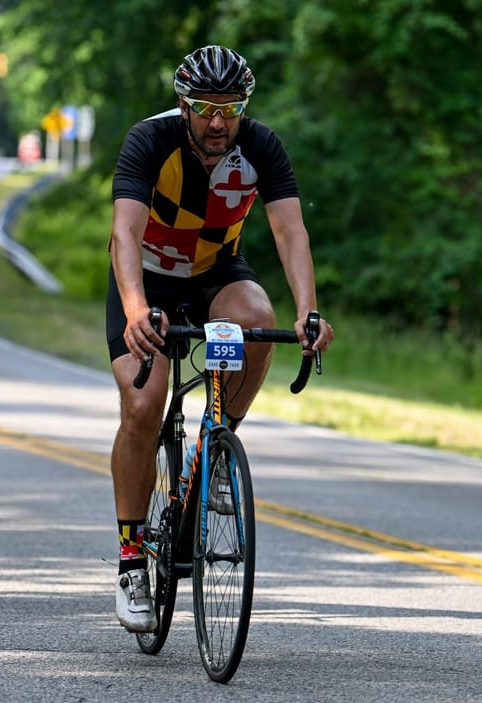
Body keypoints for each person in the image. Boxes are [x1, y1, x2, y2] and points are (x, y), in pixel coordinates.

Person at [106, 45, 335, 632]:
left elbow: (290, 231)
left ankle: (216, 446)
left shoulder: (261, 146)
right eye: (206, 108)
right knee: (143, 405)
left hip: (214, 273)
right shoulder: (149, 141)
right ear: (183, 105)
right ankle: (131, 562)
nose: (217, 121)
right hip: (148, 277)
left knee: (257, 321)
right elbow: (125, 233)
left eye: (229, 108)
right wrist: (135, 309)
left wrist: (308, 312)